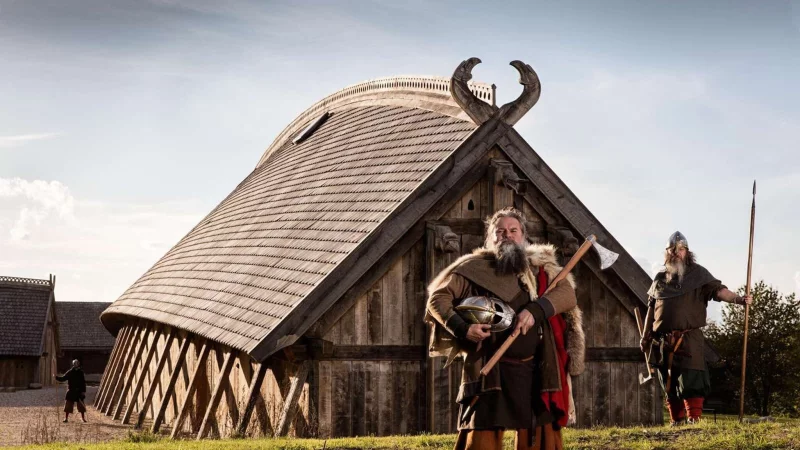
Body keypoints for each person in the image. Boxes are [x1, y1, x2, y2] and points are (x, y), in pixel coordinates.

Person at [425, 207, 584, 450]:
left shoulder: (540, 268)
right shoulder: (472, 268)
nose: (506, 235)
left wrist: (535, 310)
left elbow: (567, 294)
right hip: (490, 367)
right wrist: (463, 329)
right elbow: (438, 299)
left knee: (541, 441)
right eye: (500, 231)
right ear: (491, 237)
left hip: (536, 369)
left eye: (513, 230)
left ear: (523, 236)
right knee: (480, 441)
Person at [640, 231, 752, 425]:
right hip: (662, 340)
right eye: (672, 250)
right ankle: (677, 421)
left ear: (687, 252)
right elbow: (651, 307)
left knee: (692, 377)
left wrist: (739, 300)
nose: (677, 253)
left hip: (688, 338)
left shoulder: (699, 275)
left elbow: (719, 291)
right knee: (668, 381)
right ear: (667, 253)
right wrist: (645, 336)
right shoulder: (659, 278)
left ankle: (694, 420)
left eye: (681, 249)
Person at [55, 359, 87, 423]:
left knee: (81, 406)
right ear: (73, 364)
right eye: (75, 363)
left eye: (77, 363)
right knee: (68, 406)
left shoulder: (81, 372)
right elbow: (63, 378)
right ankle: (66, 418)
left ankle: (83, 418)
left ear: (78, 364)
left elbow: (83, 382)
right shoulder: (70, 372)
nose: (76, 364)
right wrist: (56, 377)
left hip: (79, 391)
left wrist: (83, 391)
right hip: (71, 391)